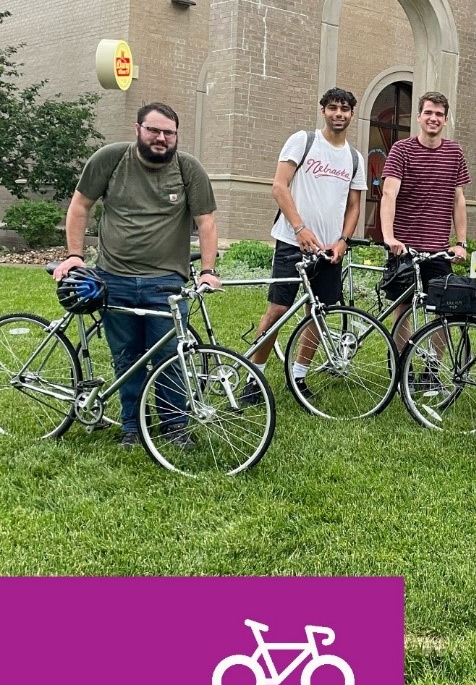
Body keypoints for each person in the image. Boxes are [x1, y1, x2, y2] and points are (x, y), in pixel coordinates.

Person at [53, 101, 221, 449]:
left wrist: (208, 271)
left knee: (171, 357)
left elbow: (206, 222)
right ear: (138, 129)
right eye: (154, 130)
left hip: (166, 283)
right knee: (127, 357)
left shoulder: (189, 169)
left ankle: (175, 427)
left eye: (168, 132)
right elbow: (80, 205)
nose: (161, 138)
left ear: (176, 135)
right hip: (113, 278)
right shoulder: (111, 159)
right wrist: (74, 255)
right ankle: (132, 426)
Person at [247, 87, 366, 397]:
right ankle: (253, 377)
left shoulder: (354, 158)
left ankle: (298, 376)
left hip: (329, 250)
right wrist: (299, 228)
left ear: (352, 114)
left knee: (319, 313)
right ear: (323, 110)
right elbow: (279, 186)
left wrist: (343, 240)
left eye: (345, 109)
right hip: (292, 243)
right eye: (333, 108)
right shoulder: (303, 141)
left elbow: (354, 206)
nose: (339, 114)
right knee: (277, 310)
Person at [380, 91, 469, 343]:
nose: (433, 118)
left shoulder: (454, 153)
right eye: (428, 112)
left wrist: (461, 243)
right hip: (404, 247)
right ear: (418, 117)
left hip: (438, 248)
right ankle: (400, 367)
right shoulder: (402, 150)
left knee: (443, 310)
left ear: (446, 120)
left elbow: (458, 199)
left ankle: (432, 370)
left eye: (439, 114)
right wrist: (389, 237)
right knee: (403, 309)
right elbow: (389, 194)